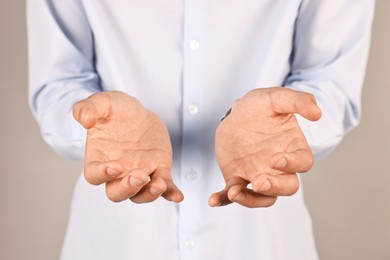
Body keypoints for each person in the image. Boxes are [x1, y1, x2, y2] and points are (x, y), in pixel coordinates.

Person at [27, 1, 374, 259]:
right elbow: (59, 81)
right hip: (114, 241)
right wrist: (97, 128)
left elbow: (331, 82)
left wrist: (286, 134)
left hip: (265, 242)